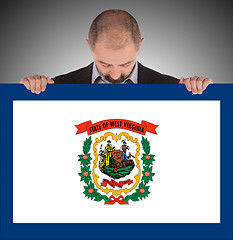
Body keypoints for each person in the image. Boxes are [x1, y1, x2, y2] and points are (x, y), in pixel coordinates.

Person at [20, 9, 213, 94]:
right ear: (89, 46)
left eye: (125, 64)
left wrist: (201, 93)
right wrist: (28, 92)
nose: (114, 75)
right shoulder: (57, 88)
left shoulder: (173, 89)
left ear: (140, 45)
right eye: (104, 63)